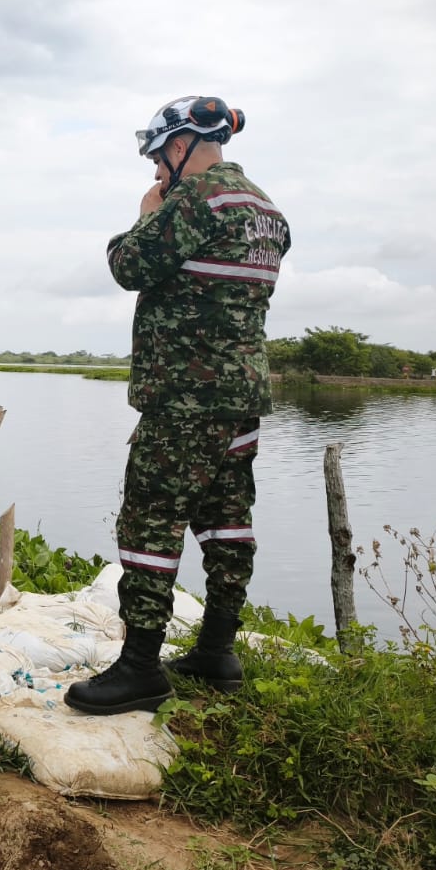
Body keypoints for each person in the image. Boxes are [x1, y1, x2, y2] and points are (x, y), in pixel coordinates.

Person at [66, 96, 291, 716]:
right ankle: (217, 651)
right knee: (227, 520)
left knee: (150, 522)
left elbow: (128, 266)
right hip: (242, 396)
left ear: (180, 145)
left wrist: (143, 216)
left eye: (159, 159)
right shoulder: (267, 210)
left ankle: (140, 667)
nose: (157, 173)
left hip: (185, 398)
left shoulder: (192, 202)